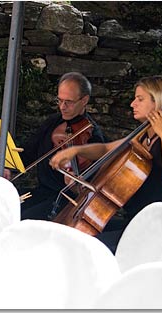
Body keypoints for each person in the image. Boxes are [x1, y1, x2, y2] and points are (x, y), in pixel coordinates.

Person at [49, 75, 162, 253]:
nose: (133, 104)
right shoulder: (141, 137)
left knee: (86, 248)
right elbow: (106, 148)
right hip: (135, 222)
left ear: (158, 103)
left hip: (158, 228)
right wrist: (76, 151)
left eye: (140, 99)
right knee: (72, 237)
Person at [18, 72, 105, 221]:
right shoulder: (53, 122)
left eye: (68, 102)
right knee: (5, 208)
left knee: (23, 219)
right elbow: (28, 153)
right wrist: (10, 166)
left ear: (84, 100)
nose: (62, 107)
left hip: (65, 200)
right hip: (42, 192)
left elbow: (93, 186)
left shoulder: (92, 135)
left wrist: (74, 183)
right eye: (59, 100)